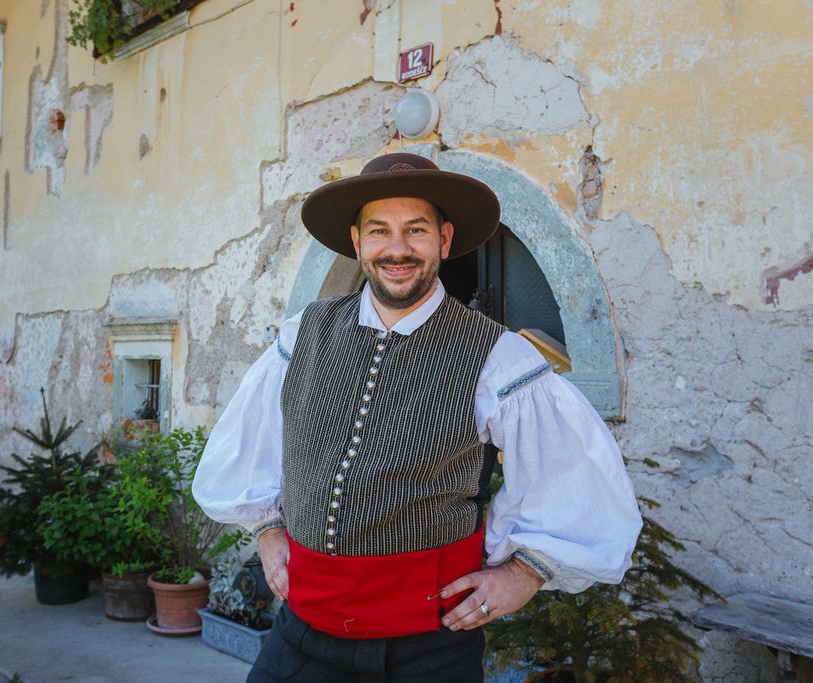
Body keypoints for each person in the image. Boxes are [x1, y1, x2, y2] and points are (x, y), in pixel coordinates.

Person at [193, 152, 642, 682]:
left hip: (427, 651)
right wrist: (269, 532)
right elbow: (255, 445)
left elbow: (572, 479)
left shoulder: (499, 357)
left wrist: (524, 574)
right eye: (379, 230)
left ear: (444, 240)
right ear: (357, 241)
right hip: (300, 638)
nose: (397, 248)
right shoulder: (302, 334)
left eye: (416, 230)